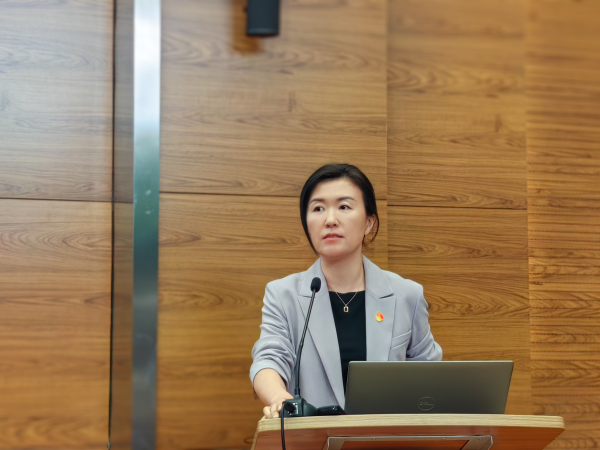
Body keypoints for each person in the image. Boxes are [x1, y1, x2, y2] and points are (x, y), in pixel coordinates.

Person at [250, 164, 442, 419]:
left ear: (369, 222)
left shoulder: (407, 295)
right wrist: (279, 399)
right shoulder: (282, 295)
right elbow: (269, 358)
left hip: (386, 436)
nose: (330, 220)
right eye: (318, 209)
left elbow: (431, 376)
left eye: (343, 206)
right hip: (312, 437)